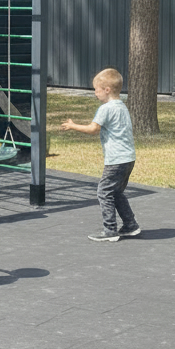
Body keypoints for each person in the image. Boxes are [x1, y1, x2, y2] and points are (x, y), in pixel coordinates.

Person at [60, 67, 141, 242]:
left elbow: (93, 129)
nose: (95, 93)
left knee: (104, 192)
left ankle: (110, 230)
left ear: (107, 90)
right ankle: (130, 225)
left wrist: (72, 125)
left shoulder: (106, 108)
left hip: (116, 160)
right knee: (116, 192)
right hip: (128, 158)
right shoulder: (122, 106)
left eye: (96, 89)